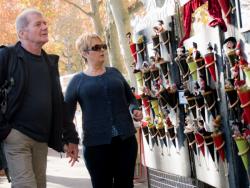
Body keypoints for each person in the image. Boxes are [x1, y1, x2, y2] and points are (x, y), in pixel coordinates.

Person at [0, 8, 79, 188]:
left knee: (39, 185)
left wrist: (71, 137)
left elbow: (59, 103)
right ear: (22, 33)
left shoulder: (49, 62)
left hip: (41, 138)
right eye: (38, 24)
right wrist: (5, 131)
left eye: (45, 23)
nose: (45, 27)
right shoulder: (7, 56)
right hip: (16, 136)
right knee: (25, 185)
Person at [64, 33, 143, 188]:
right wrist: (70, 141)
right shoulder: (77, 81)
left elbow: (130, 98)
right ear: (84, 53)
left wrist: (135, 109)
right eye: (96, 48)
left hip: (125, 141)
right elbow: (66, 116)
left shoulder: (114, 73)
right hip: (95, 146)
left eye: (103, 47)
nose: (102, 50)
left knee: (125, 184)